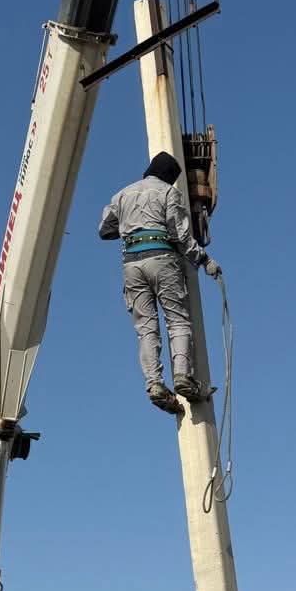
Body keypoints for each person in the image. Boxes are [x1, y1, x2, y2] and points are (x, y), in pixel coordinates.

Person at [99, 151, 221, 413]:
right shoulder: (168, 193)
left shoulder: (122, 195)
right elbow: (180, 236)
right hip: (162, 257)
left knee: (146, 328)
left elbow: (105, 230)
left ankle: (154, 384)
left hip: (132, 264)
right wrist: (205, 260)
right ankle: (183, 377)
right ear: (170, 177)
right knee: (178, 320)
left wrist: (131, 226)